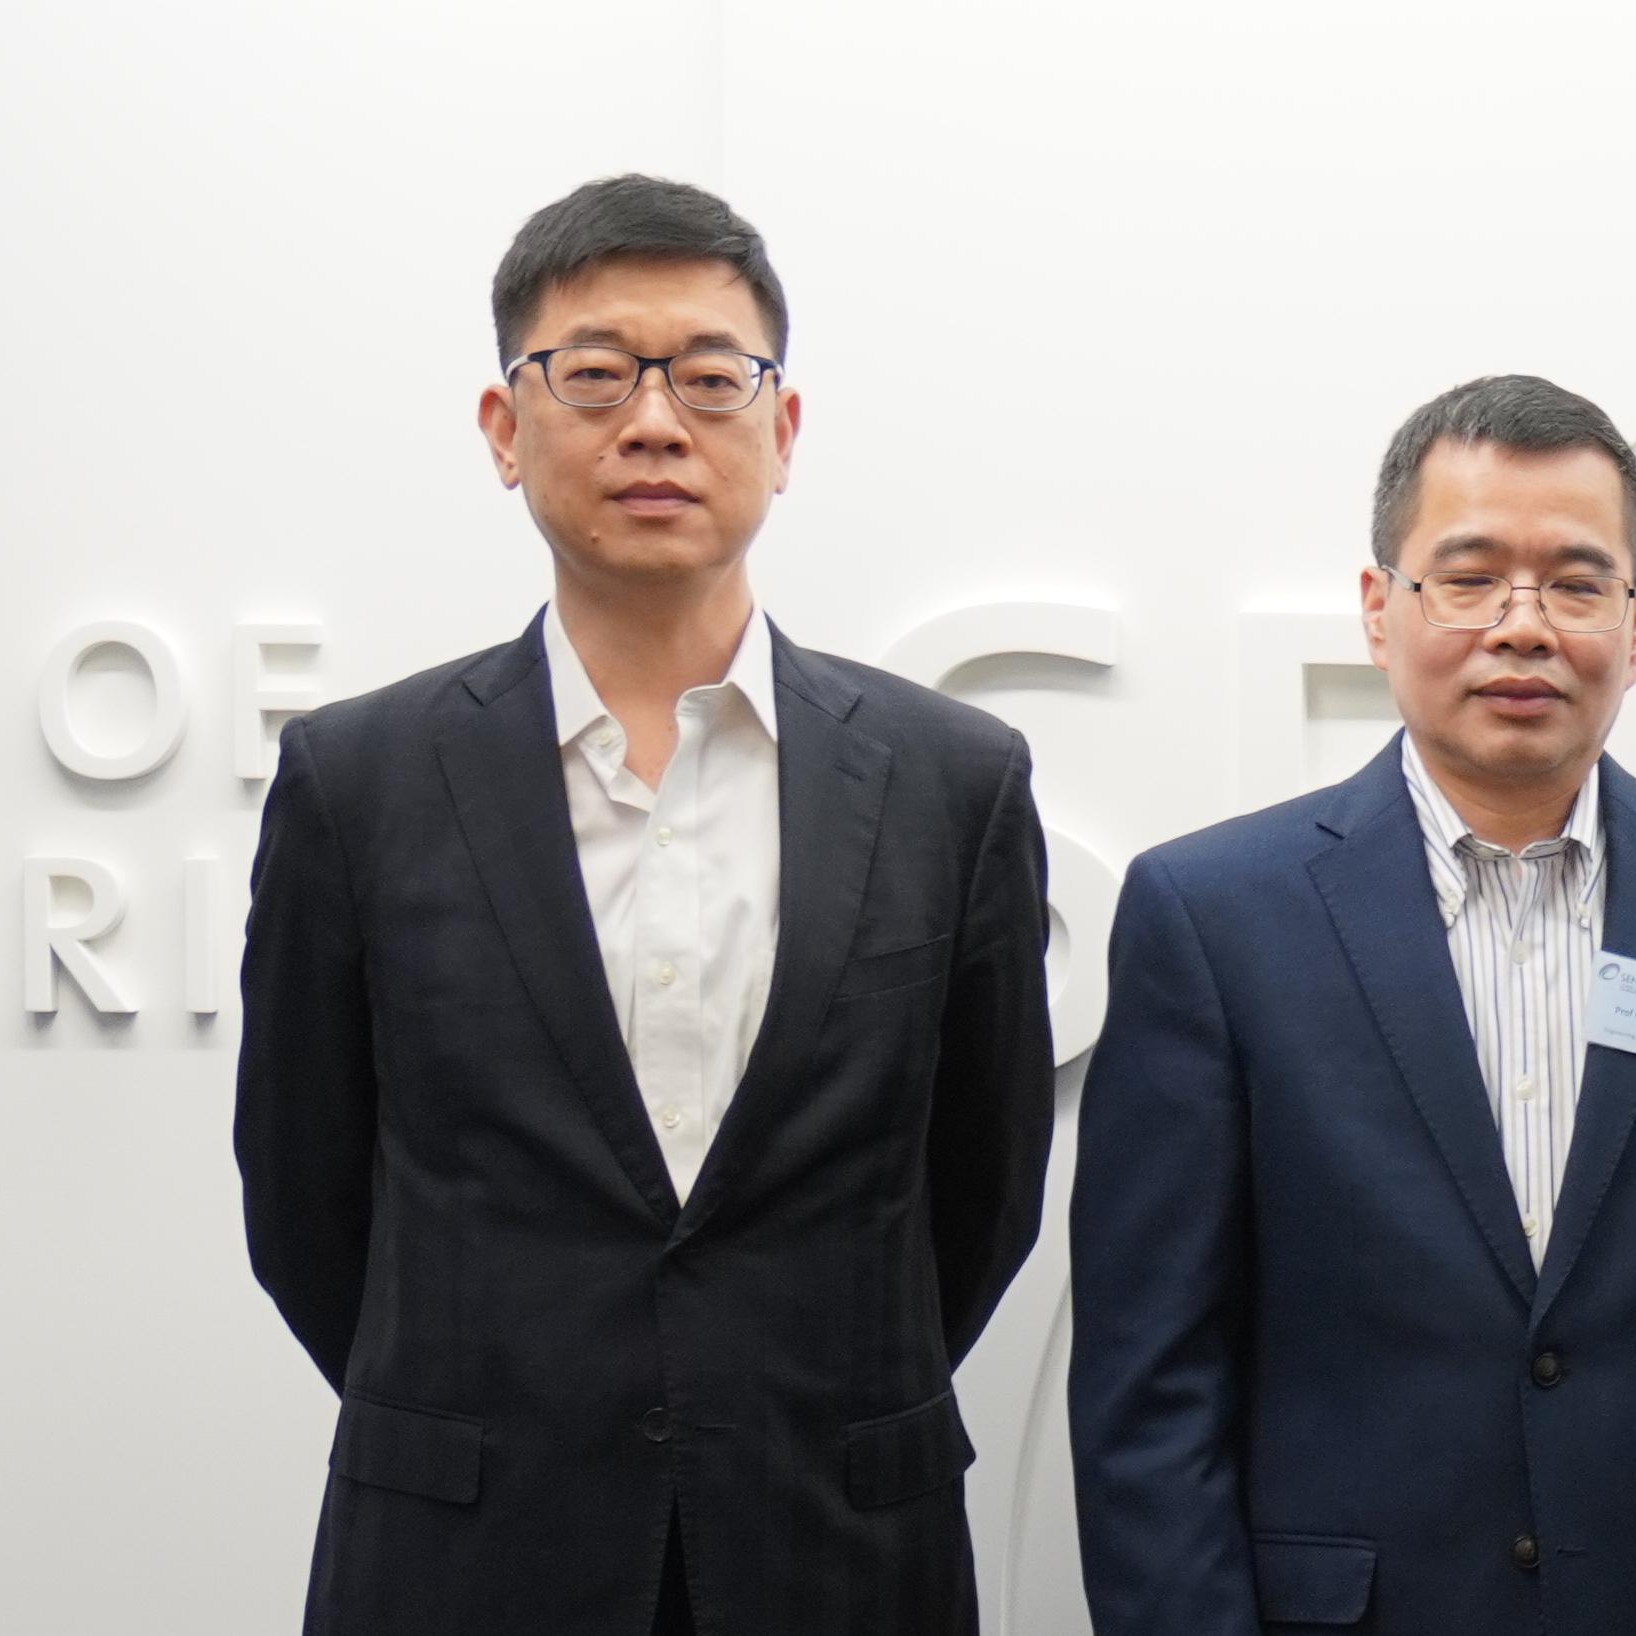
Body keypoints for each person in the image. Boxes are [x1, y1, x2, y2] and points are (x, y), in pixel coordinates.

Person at [234, 174, 1054, 1636]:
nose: (657, 422)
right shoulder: (358, 783)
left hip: (837, 1554)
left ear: (783, 430)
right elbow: (307, 1202)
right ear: (505, 429)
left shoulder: (953, 783)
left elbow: (977, 1197)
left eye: (712, 378)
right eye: (597, 374)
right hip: (467, 1559)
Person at [1068, 376, 1636, 1634]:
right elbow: (1150, 1387)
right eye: (1469, 576)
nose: (1525, 626)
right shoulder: (1213, 917)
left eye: (1576, 582)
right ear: (1378, 610)